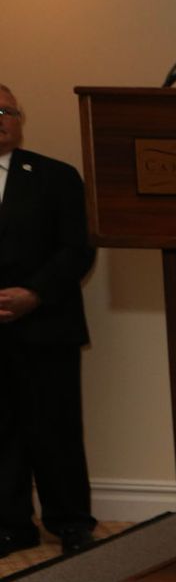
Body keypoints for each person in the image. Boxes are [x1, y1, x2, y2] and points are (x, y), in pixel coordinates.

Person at [0, 84, 98, 557]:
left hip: (46, 325)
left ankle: (71, 523)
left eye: (6, 110)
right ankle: (10, 525)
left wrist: (32, 294)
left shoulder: (55, 176)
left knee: (55, 428)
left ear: (20, 119)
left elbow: (78, 249)